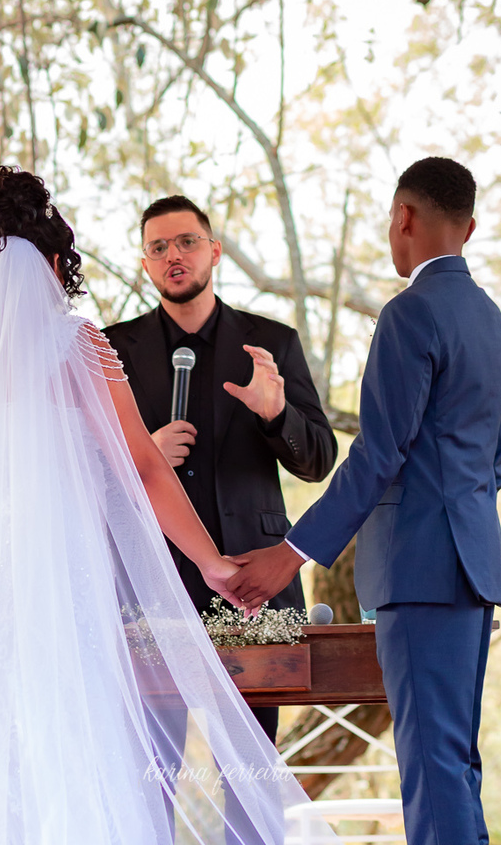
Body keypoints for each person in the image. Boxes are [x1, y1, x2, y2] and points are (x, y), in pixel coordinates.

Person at [0, 166, 336, 845]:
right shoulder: (78, 345)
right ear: (52, 263)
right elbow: (145, 468)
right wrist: (213, 564)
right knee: (78, 746)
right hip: (62, 589)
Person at [228, 156, 501, 845]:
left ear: (403, 217)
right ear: (470, 227)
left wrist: (290, 553)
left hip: (419, 569)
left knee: (432, 767)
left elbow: (379, 454)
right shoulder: (492, 321)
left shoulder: (410, 313)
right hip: (473, 568)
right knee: (455, 763)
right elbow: (496, 464)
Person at [105, 194, 337, 745]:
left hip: (250, 583)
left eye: (187, 242)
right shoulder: (112, 349)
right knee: (151, 769)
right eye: (158, 247)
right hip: (147, 583)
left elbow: (319, 462)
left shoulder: (272, 343)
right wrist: (139, 454)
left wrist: (276, 415)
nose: (173, 255)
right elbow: (82, 469)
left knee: (250, 766)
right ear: (145, 264)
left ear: (214, 251)